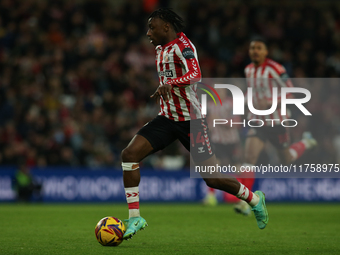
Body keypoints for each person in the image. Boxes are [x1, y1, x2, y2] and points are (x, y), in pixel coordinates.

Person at [120, 9, 269, 240]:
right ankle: (134, 217)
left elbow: (196, 73)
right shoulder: (159, 48)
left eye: (152, 27)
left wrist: (172, 83)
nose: (148, 33)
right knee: (129, 154)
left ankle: (255, 200)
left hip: (192, 121)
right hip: (167, 117)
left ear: (166, 27)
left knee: (213, 178)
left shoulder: (184, 46)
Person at [233, 37, 318, 215]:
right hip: (257, 120)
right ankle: (246, 203)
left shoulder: (275, 69)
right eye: (252, 48)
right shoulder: (248, 70)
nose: (255, 51)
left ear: (266, 52)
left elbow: (293, 94)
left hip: (277, 122)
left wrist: (272, 104)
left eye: (259, 48)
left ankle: (305, 142)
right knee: (249, 159)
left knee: (286, 160)